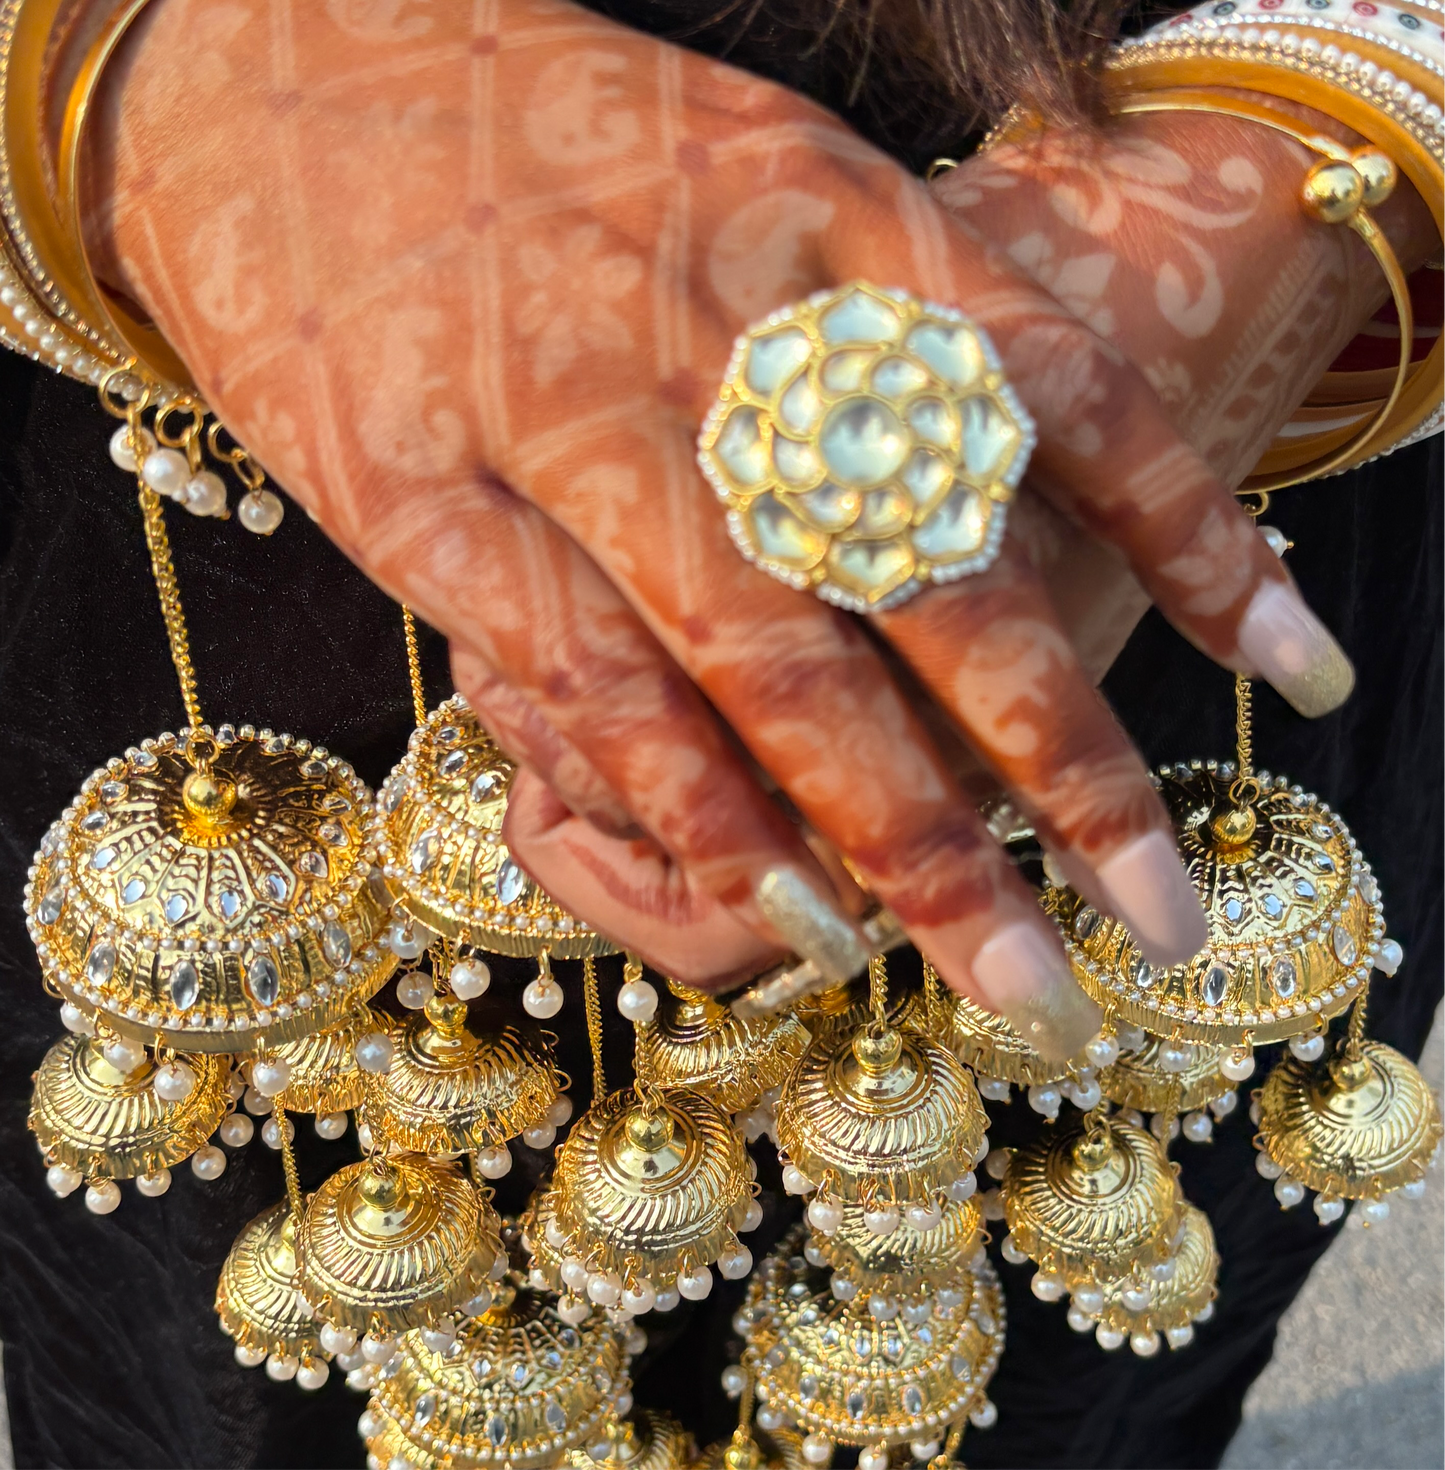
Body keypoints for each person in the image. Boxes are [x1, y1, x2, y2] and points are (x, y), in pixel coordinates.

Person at [0, 1, 1441, 1466]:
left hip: (1154, 450)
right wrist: (160, 74)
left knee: (1073, 1405)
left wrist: (1284, 144)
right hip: (246, 455)